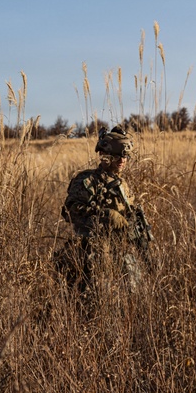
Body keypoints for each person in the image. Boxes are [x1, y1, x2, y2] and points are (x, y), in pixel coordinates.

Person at [56, 126, 150, 294]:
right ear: (104, 156)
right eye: (117, 156)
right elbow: (70, 211)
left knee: (132, 292)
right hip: (92, 252)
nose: (122, 160)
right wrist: (106, 216)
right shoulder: (88, 180)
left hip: (120, 251)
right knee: (94, 296)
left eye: (125, 156)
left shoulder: (122, 184)